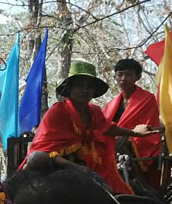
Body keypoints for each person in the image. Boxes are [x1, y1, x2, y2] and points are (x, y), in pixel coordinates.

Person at [24, 60, 157, 195]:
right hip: (59, 163)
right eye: (80, 86)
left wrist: (134, 133)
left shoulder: (94, 111)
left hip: (89, 162)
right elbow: (46, 151)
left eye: (89, 87)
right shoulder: (58, 112)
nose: (84, 91)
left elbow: (107, 127)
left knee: (110, 191)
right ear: (69, 89)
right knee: (37, 158)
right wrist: (76, 167)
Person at [103, 58, 163, 189]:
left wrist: (126, 137)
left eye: (128, 75)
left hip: (138, 143)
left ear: (138, 77)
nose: (123, 79)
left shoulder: (147, 98)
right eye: (120, 75)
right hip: (113, 143)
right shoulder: (111, 104)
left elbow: (148, 126)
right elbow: (103, 126)